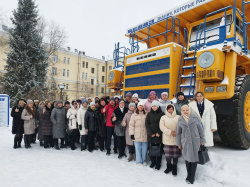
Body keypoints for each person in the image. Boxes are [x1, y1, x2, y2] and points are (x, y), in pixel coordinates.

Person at [176, 105, 206, 184]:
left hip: (195, 141)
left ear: (189, 110)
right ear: (181, 111)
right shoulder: (180, 119)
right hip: (185, 142)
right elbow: (178, 133)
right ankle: (188, 174)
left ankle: (192, 177)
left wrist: (202, 139)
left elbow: (200, 129)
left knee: (194, 159)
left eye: (187, 110)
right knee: (187, 158)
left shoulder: (195, 117)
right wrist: (179, 143)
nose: (185, 111)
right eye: (183, 110)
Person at [160, 104, 181, 176]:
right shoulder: (163, 117)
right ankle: (168, 166)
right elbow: (162, 127)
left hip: (176, 138)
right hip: (167, 138)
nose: (170, 110)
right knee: (168, 155)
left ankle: (174, 167)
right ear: (166, 110)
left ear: (174, 109)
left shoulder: (178, 117)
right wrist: (170, 132)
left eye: (171, 109)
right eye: (169, 109)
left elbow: (181, 126)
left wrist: (176, 132)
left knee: (175, 155)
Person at [145, 100, 164, 170]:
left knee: (159, 150)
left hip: (159, 135)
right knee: (151, 149)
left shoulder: (162, 114)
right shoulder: (149, 114)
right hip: (151, 135)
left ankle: (158, 164)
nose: (154, 107)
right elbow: (147, 124)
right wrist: (151, 133)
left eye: (155, 106)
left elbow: (163, 124)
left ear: (158, 106)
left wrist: (159, 133)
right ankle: (153, 162)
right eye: (153, 106)